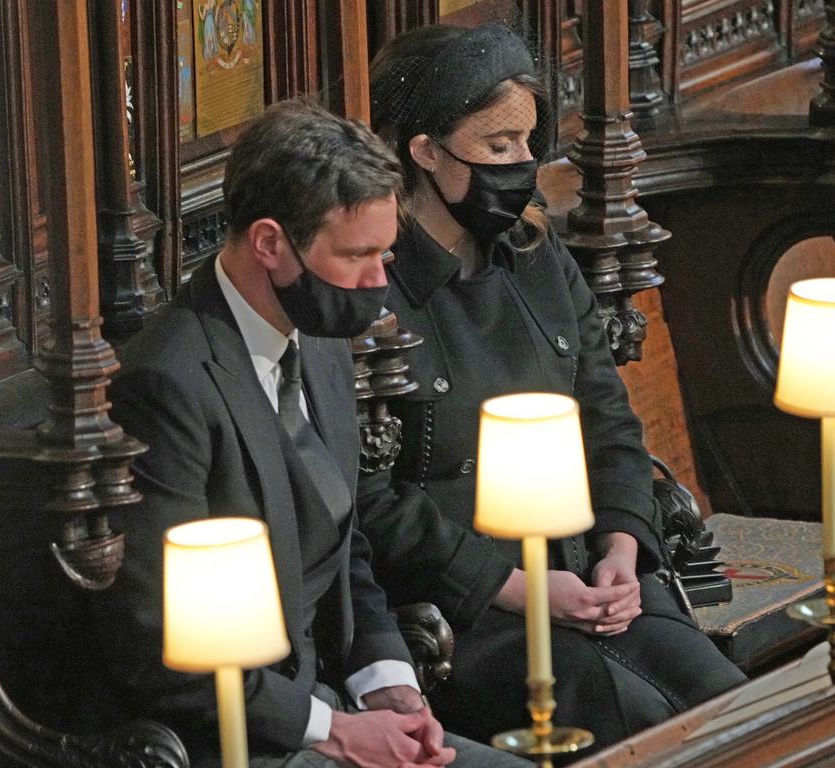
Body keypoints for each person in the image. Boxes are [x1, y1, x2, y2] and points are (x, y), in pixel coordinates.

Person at [84, 100, 532, 768]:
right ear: (270, 244)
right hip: (238, 736)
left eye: (386, 254)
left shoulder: (318, 337)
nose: (379, 285)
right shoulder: (166, 384)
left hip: (329, 702)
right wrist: (334, 730)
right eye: (358, 256)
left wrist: (391, 686)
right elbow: (162, 643)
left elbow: (342, 539)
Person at [359, 23, 747, 749]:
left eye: (529, 143)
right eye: (497, 146)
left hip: (589, 577)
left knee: (726, 701)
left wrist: (623, 550)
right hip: (470, 609)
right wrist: (524, 591)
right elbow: (373, 504)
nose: (523, 164)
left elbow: (608, 423)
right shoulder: (373, 288)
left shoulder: (540, 258)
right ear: (425, 152)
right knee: (622, 711)